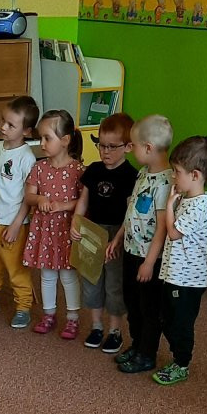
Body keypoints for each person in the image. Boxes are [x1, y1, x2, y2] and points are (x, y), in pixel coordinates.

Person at [107, 113, 173, 373]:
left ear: (148, 148)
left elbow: (162, 228)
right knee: (132, 303)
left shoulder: (166, 182)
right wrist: (118, 237)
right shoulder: (143, 173)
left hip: (149, 258)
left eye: (133, 145)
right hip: (131, 250)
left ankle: (147, 354)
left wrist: (149, 262)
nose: (131, 150)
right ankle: (136, 345)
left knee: (149, 308)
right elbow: (133, 210)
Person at [153, 135, 207, 385]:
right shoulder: (187, 199)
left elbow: (173, 232)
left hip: (188, 280)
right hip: (174, 275)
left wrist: (169, 205)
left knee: (180, 323)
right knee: (166, 318)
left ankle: (181, 363)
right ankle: (177, 358)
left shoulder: (198, 205)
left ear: (195, 175)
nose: (173, 177)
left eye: (177, 172)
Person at [73, 112, 136, 352]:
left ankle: (115, 331)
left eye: (112, 146)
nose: (105, 151)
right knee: (92, 280)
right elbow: (84, 200)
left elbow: (130, 213)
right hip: (93, 231)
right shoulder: (94, 170)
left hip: (116, 235)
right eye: (101, 145)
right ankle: (97, 326)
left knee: (114, 284)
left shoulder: (131, 175)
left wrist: (118, 239)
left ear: (128, 147)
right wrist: (76, 222)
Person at [23, 109, 85, 338]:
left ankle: (72, 318)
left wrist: (63, 205)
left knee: (68, 275)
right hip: (45, 231)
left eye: (47, 138)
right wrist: (39, 199)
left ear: (65, 140)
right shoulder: (39, 167)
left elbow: (84, 201)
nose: (41, 143)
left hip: (67, 230)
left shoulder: (78, 170)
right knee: (47, 274)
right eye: (40, 138)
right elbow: (28, 196)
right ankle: (49, 314)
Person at [0, 95, 39, 328]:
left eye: (11, 125)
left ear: (27, 131)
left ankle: (23, 307)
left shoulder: (26, 158)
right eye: (2, 120)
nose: (3, 127)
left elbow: (28, 197)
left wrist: (16, 225)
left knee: (16, 270)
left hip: (14, 225)